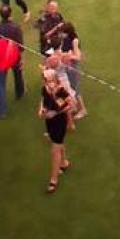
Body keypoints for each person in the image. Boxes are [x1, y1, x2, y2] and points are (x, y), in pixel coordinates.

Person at [39, 62, 75, 192]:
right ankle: (64, 163)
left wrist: (55, 113)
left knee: (55, 149)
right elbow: (43, 99)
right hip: (49, 122)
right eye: (45, 80)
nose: (47, 83)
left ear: (54, 80)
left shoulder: (61, 91)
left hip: (60, 122)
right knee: (57, 144)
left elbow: (72, 105)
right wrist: (42, 110)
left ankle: (53, 180)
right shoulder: (45, 89)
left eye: (48, 80)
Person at [0, 6, 26, 114]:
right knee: (18, 75)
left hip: (2, 57)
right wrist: (21, 58)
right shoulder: (16, 27)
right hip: (14, 56)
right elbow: (20, 45)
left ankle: (2, 111)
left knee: (1, 83)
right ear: (10, 14)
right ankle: (19, 94)